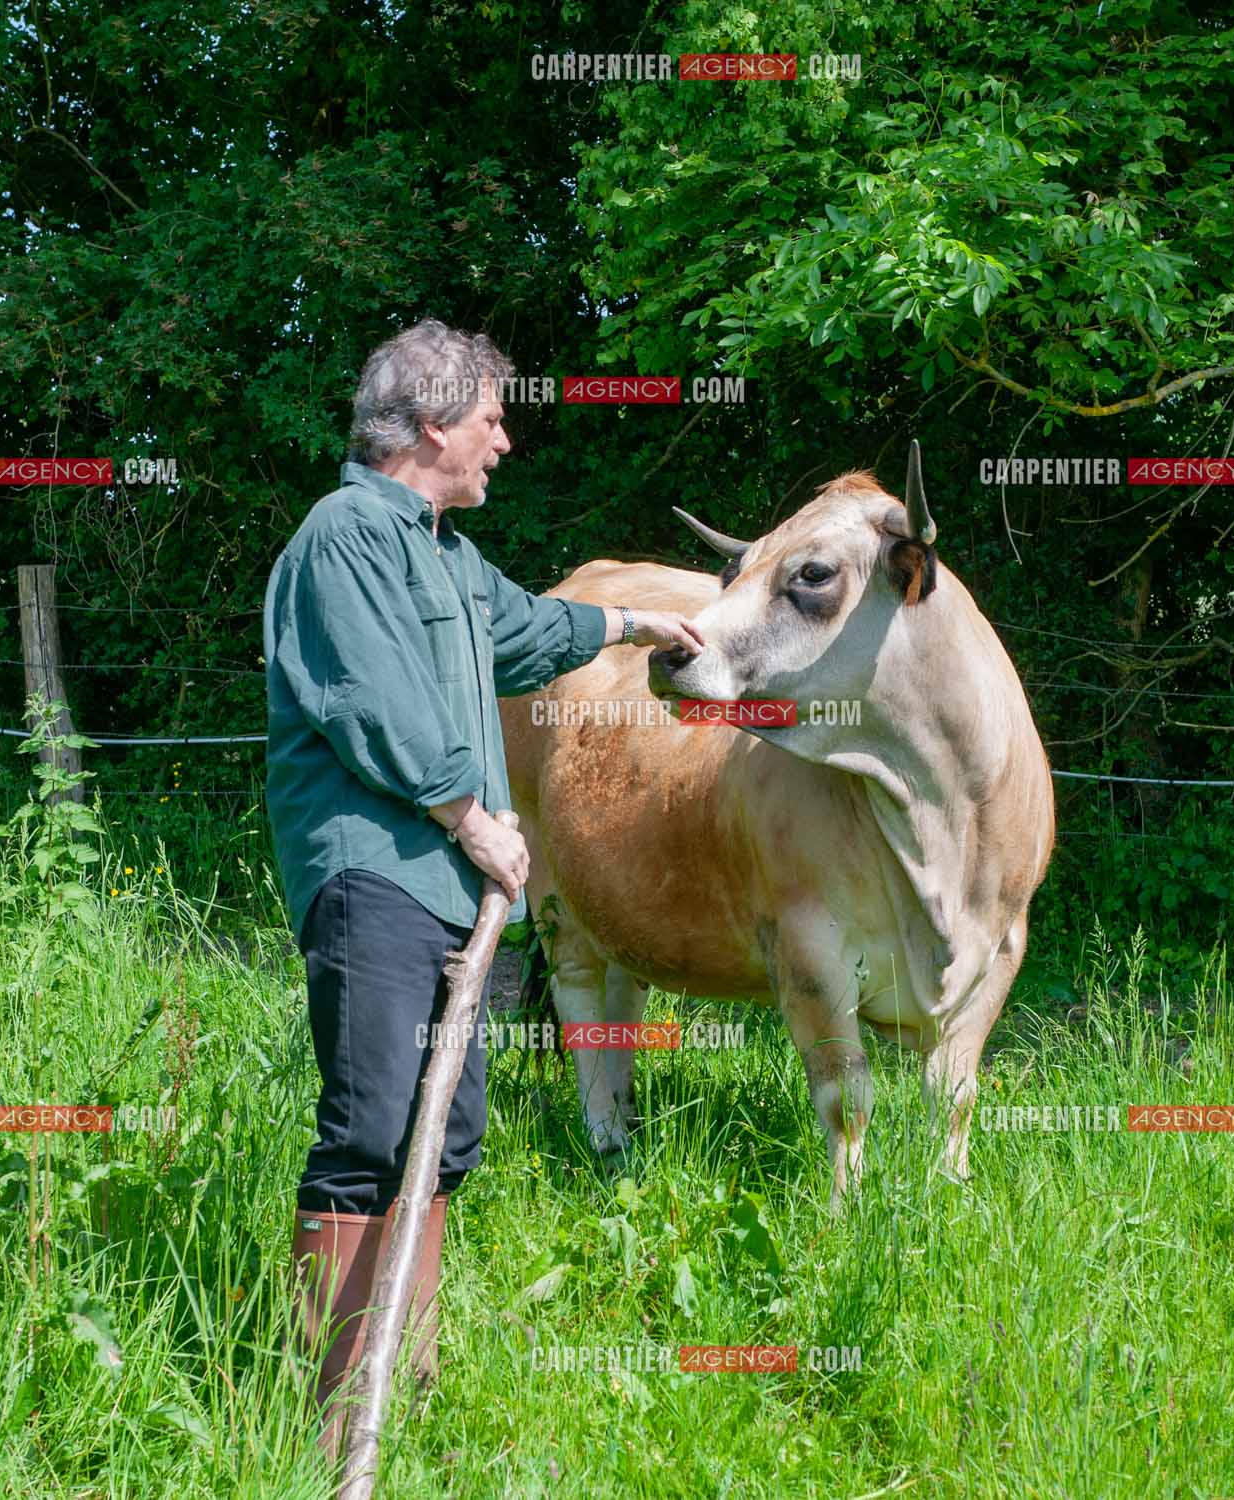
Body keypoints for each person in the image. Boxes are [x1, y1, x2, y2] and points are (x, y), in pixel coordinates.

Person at [263, 318, 705, 1458]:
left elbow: (525, 631)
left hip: (450, 890)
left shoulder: (446, 557)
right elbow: (373, 705)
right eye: (491, 418)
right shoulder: (345, 537)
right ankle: (330, 1428)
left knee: (444, 1129)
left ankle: (396, 1396)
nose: (504, 440)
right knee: (372, 1128)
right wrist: (473, 814)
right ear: (428, 425)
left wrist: (633, 622)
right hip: (375, 873)